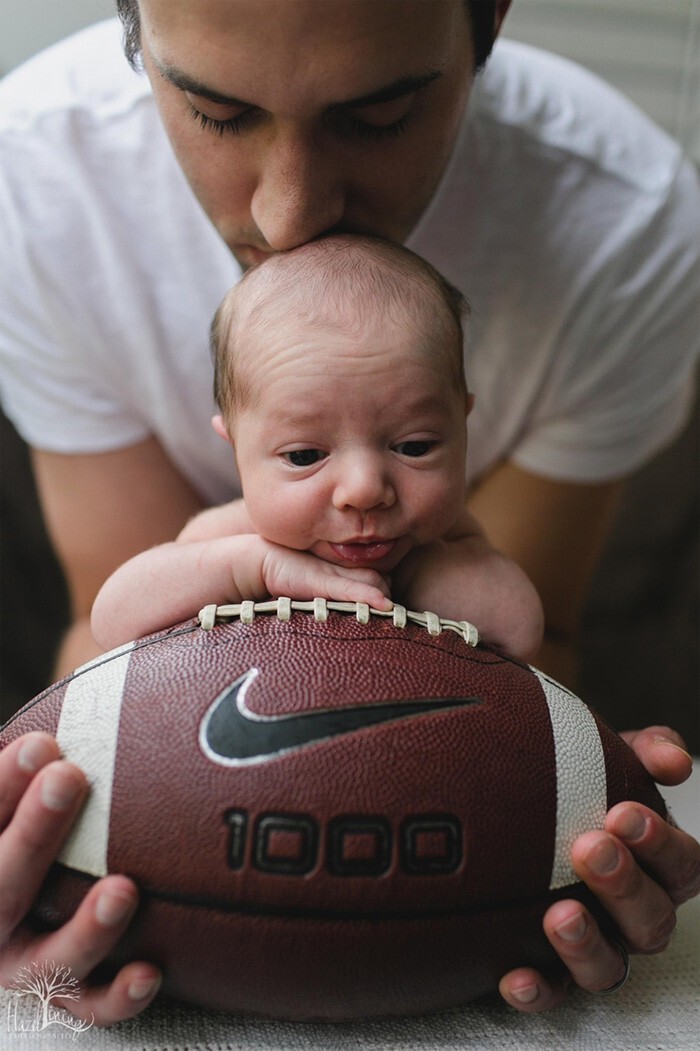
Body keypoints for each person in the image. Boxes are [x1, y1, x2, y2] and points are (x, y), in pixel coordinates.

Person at [0, 0, 698, 1028]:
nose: (288, 216)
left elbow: (525, 646)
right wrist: (44, 838)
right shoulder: (33, 179)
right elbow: (108, 654)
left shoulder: (626, 221)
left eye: (378, 117)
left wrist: (572, 797)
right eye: (215, 110)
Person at [91, 234, 543, 657]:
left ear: (461, 424)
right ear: (236, 449)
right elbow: (111, 622)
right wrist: (255, 569)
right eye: (305, 456)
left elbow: (520, 630)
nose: (364, 490)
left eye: (414, 446)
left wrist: (402, 573)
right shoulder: (231, 537)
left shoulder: (445, 538)